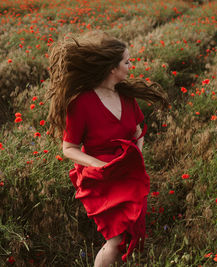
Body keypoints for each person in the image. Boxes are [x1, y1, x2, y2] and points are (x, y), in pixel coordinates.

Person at [46, 31, 169, 267]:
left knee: (136, 236)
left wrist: (136, 155)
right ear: (112, 68)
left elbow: (137, 131)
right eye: (127, 61)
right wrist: (100, 165)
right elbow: (69, 148)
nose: (131, 66)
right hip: (100, 179)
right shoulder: (81, 102)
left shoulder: (126, 96)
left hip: (128, 175)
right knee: (116, 240)